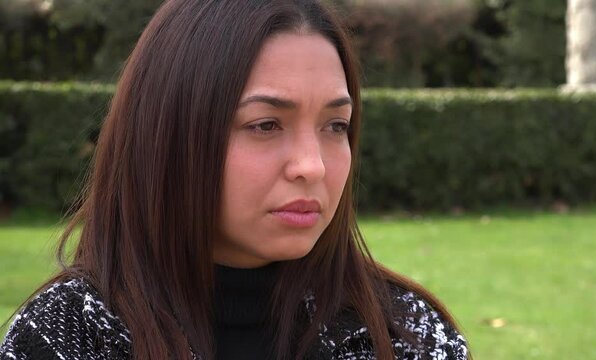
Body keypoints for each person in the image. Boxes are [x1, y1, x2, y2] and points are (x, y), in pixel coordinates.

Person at [0, 0, 469, 359]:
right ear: (170, 135)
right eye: (265, 125)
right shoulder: (65, 339)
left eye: (335, 126)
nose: (313, 166)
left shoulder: (404, 337)